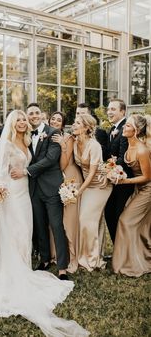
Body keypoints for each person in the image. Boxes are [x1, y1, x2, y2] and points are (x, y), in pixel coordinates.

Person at [0, 110, 89, 337]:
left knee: (25, 231)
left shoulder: (30, 139)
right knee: (15, 231)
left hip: (26, 193)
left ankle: (27, 265)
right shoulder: (9, 142)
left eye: (26, 119)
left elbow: (45, 160)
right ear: (13, 124)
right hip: (12, 195)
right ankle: (16, 269)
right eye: (20, 119)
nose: (23, 122)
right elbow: (2, 171)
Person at [11, 103, 69, 280]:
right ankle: (44, 259)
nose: (34, 116)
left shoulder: (53, 133)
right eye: (31, 114)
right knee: (39, 224)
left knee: (56, 225)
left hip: (51, 186)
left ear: (42, 115)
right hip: (33, 188)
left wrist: (26, 171)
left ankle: (62, 267)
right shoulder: (26, 135)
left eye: (37, 113)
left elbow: (51, 159)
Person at [112, 114, 151, 277]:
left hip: (148, 190)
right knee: (136, 225)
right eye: (125, 125)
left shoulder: (142, 150)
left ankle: (130, 264)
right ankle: (134, 258)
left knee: (125, 221)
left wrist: (124, 181)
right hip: (138, 188)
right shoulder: (129, 145)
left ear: (137, 130)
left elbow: (148, 177)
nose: (124, 128)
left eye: (127, 126)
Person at [73, 114, 112, 271]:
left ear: (87, 127)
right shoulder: (76, 142)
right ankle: (92, 254)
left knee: (86, 219)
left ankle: (92, 259)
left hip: (100, 186)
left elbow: (92, 172)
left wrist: (79, 191)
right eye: (74, 122)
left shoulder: (94, 145)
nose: (74, 125)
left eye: (77, 123)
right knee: (90, 220)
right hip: (87, 186)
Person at [49, 111, 83, 273]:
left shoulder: (68, 139)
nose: (55, 122)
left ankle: (72, 256)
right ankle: (56, 253)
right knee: (56, 219)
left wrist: (62, 145)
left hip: (68, 179)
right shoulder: (46, 136)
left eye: (59, 120)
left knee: (68, 220)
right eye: (53, 119)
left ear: (63, 125)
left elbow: (62, 165)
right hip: (54, 180)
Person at [104, 99, 134, 244]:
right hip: (113, 179)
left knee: (119, 215)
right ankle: (118, 248)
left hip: (124, 181)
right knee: (109, 214)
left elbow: (123, 158)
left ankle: (123, 250)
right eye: (108, 109)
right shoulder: (112, 129)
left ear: (122, 111)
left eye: (113, 109)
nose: (109, 112)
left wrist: (109, 166)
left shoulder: (126, 128)